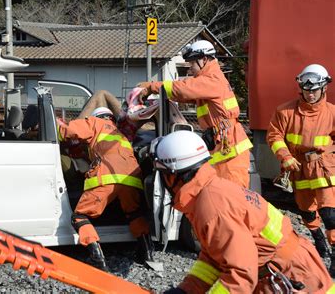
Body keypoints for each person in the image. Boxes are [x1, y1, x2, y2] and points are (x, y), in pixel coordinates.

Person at [152, 130, 333, 293]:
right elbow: (215, 257)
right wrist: (187, 290)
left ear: (173, 175)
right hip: (283, 270)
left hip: (292, 275)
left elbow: (240, 275)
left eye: (162, 173)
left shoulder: (212, 208)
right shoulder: (209, 192)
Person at [138, 40, 252, 188]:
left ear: (204, 59)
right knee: (218, 192)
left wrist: (152, 87)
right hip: (222, 142)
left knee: (233, 194)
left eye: (192, 63)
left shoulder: (211, 79)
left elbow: (184, 89)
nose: (190, 68)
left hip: (229, 147)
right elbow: (186, 94)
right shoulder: (209, 80)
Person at [57, 107, 152, 271]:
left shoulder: (95, 123)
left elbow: (70, 131)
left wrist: (56, 128)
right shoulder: (119, 134)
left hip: (107, 178)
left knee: (80, 216)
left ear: (97, 116)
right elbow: (94, 151)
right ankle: (147, 253)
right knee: (134, 214)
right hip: (132, 179)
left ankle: (97, 258)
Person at [266, 64, 335, 275]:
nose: (310, 93)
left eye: (315, 89)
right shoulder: (285, 111)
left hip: (323, 168)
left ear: (324, 88)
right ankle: (318, 239)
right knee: (305, 210)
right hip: (298, 168)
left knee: (330, 214)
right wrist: (285, 156)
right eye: (307, 90)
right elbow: (274, 136)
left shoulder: (332, 112)